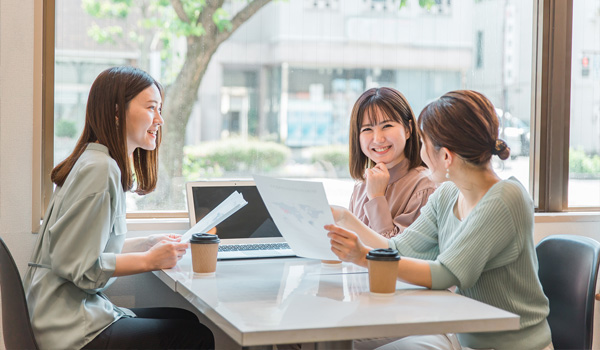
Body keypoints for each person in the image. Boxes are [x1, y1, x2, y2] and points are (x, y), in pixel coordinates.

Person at [326, 90, 552, 350]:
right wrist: (344, 217)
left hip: (511, 344)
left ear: (446, 156)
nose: (420, 154)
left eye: (423, 144)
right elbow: (397, 249)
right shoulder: (447, 194)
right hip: (463, 335)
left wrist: (363, 256)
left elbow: (445, 273)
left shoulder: (505, 199)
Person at [23, 66, 215, 350]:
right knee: (195, 336)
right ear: (116, 111)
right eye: (152, 108)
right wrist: (151, 260)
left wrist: (147, 243)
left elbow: (85, 247)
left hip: (58, 317)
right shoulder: (101, 170)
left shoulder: (93, 161)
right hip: (70, 329)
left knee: (186, 321)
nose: (160, 120)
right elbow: (78, 266)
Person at [347, 87, 436, 238]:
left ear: (408, 130)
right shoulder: (361, 187)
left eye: (387, 126)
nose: (378, 139)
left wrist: (376, 197)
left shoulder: (425, 186)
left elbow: (397, 254)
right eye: (367, 129)